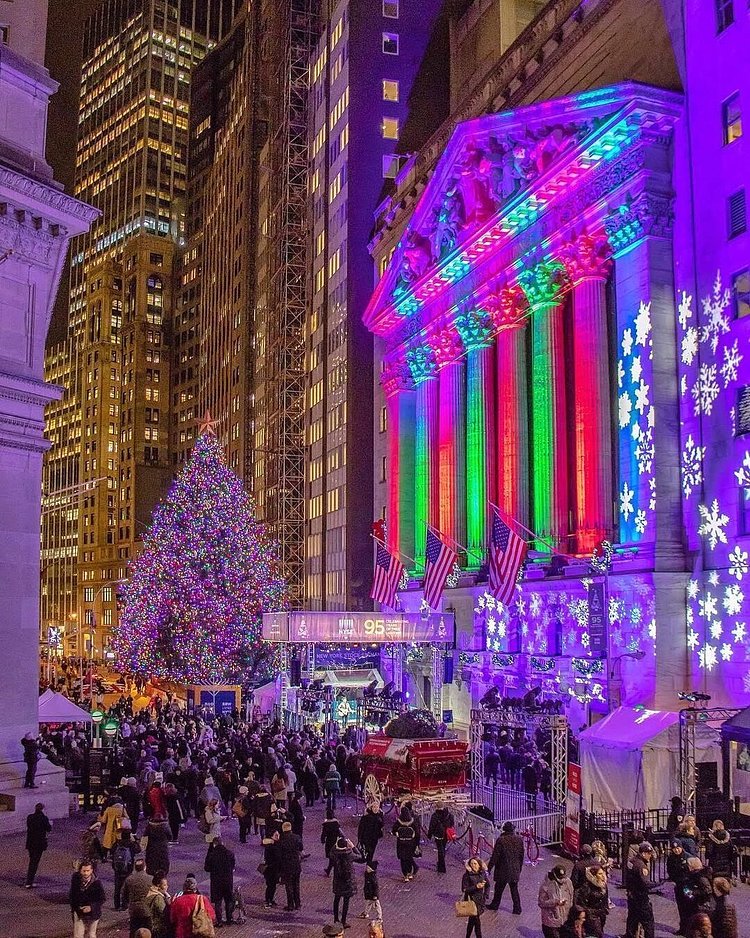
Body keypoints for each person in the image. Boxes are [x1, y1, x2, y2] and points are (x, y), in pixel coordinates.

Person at [486, 821, 524, 914]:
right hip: (515, 869)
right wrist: (519, 868)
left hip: (502, 869)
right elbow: (521, 856)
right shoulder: (519, 839)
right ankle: (517, 908)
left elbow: (495, 856)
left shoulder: (501, 840)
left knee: (499, 888)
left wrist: (489, 868)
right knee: (514, 889)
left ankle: (495, 904)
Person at [624, 842, 656, 938]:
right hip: (641, 897)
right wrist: (657, 885)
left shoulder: (632, 861)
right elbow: (645, 883)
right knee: (648, 921)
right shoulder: (641, 866)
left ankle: (630, 935)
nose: (650, 856)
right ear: (643, 853)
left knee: (632, 918)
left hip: (632, 895)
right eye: (649, 854)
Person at [204, 836, 235, 927]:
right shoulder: (230, 853)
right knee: (228, 900)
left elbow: (207, 868)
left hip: (216, 881)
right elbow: (233, 866)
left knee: (218, 902)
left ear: (214, 844)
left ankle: (220, 921)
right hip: (228, 880)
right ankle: (229, 919)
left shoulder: (212, 855)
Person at [69, 859, 106, 938]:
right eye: (84, 871)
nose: (86, 873)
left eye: (88, 871)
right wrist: (74, 909)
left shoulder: (97, 883)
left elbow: (102, 899)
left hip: (93, 913)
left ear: (91, 870)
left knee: (91, 935)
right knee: (78, 935)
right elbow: (72, 895)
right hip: (79, 911)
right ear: (80, 870)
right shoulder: (76, 879)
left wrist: (91, 907)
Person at [538, 864, 574, 938]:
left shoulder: (568, 882)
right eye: (559, 878)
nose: (562, 880)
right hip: (551, 922)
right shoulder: (546, 885)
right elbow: (541, 903)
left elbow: (571, 896)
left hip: (565, 920)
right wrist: (555, 902)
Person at [574, 864, 608, 938]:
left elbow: (605, 900)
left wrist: (605, 909)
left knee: (599, 933)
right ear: (593, 876)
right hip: (590, 918)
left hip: (601, 916)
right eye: (600, 874)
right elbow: (580, 903)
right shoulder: (586, 887)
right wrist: (586, 913)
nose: (603, 876)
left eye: (603, 873)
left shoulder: (603, 886)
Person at [331, 835, 357, 929]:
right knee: (346, 901)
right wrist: (353, 847)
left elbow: (331, 852)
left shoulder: (335, 854)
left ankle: (336, 919)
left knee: (336, 899)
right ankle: (343, 921)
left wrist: (336, 845)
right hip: (347, 881)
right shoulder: (350, 855)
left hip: (338, 881)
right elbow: (360, 857)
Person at [123, 858, 153, 937]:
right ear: (145, 867)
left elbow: (124, 894)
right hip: (147, 909)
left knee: (134, 930)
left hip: (134, 909)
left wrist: (128, 903)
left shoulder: (129, 879)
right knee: (147, 930)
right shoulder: (151, 879)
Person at [112, 829, 140, 911]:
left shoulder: (117, 843)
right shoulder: (131, 844)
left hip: (117, 868)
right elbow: (138, 850)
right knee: (126, 887)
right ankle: (124, 905)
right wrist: (134, 840)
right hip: (128, 868)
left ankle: (116, 905)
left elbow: (111, 851)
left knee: (117, 887)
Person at [461, 856, 489, 938]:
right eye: (471, 863)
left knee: (472, 921)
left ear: (479, 865)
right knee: (476, 920)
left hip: (480, 901)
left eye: (475, 863)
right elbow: (464, 889)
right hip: (471, 900)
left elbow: (488, 885)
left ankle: (467, 936)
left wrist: (486, 895)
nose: (473, 865)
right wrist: (476, 886)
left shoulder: (482, 874)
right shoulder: (467, 875)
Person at [278, 820, 303, 911]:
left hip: (286, 865)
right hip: (296, 864)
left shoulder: (281, 840)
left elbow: (279, 854)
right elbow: (301, 848)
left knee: (288, 885)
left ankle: (290, 904)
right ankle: (298, 903)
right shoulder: (297, 837)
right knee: (296, 884)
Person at [25, 801, 51, 888]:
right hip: (39, 844)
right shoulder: (44, 818)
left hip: (30, 843)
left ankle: (29, 879)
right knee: (34, 862)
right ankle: (29, 881)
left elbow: (29, 826)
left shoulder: (30, 817)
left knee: (32, 860)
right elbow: (48, 828)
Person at [392, 805, 419, 882]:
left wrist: (397, 834)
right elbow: (417, 832)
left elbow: (394, 830)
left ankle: (405, 875)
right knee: (409, 858)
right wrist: (416, 843)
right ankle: (410, 873)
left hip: (401, 843)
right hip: (411, 843)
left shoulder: (399, 822)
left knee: (403, 859)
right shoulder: (412, 822)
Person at [427, 802, 454, 874]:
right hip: (446, 834)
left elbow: (431, 826)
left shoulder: (435, 815)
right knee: (443, 848)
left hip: (438, 834)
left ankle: (441, 866)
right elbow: (452, 824)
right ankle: (440, 862)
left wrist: (429, 835)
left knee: (440, 849)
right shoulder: (449, 815)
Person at [144, 872, 171, 938]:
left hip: (151, 926)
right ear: (158, 886)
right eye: (164, 885)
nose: (167, 887)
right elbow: (164, 913)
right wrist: (169, 903)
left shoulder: (150, 893)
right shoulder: (158, 898)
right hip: (159, 928)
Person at [262, 833, 281, 908]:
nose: (278, 836)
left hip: (274, 869)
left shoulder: (274, 845)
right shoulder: (271, 847)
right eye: (276, 835)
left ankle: (271, 899)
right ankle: (268, 900)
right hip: (270, 869)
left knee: (273, 886)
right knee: (270, 885)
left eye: (278, 835)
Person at [360, 859, 382, 924]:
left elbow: (376, 887)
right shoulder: (367, 875)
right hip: (369, 893)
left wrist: (375, 895)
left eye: (368, 868)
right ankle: (366, 913)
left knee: (376, 905)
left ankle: (379, 917)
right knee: (368, 903)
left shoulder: (373, 877)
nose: (366, 868)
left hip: (373, 894)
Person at [322, 807, 341, 876]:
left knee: (331, 856)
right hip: (336, 840)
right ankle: (329, 869)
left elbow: (324, 833)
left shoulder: (326, 824)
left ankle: (329, 869)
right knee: (334, 855)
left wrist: (322, 840)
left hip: (329, 841)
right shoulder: (336, 823)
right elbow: (339, 832)